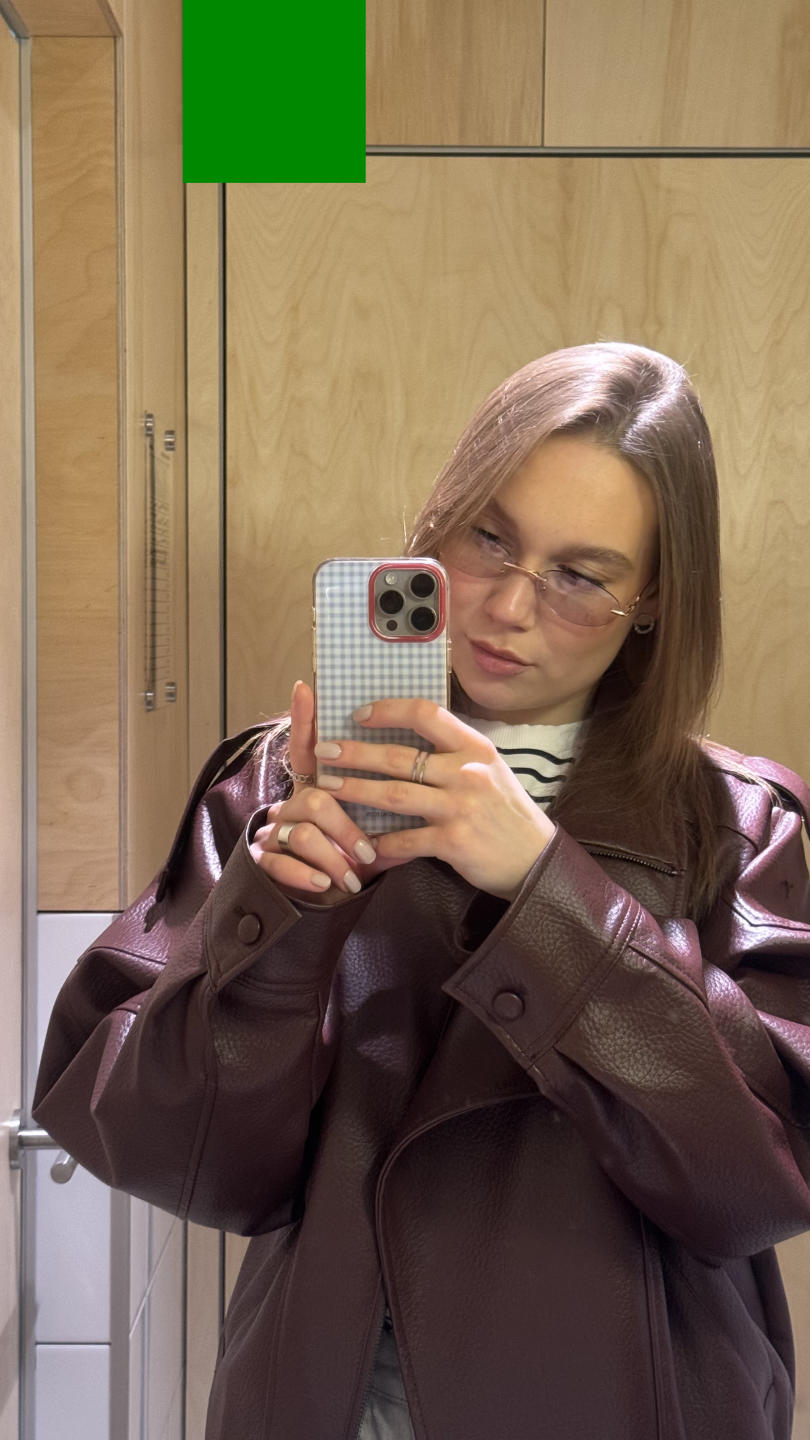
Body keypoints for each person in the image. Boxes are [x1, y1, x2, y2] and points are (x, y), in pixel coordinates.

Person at [34, 342, 810, 1440]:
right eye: (489, 537)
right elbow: (180, 1162)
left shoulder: (739, 823)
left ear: (650, 602)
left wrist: (543, 888)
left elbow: (757, 1185)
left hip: (630, 1398)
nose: (509, 606)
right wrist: (284, 909)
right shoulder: (279, 785)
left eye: (580, 576)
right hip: (333, 1392)